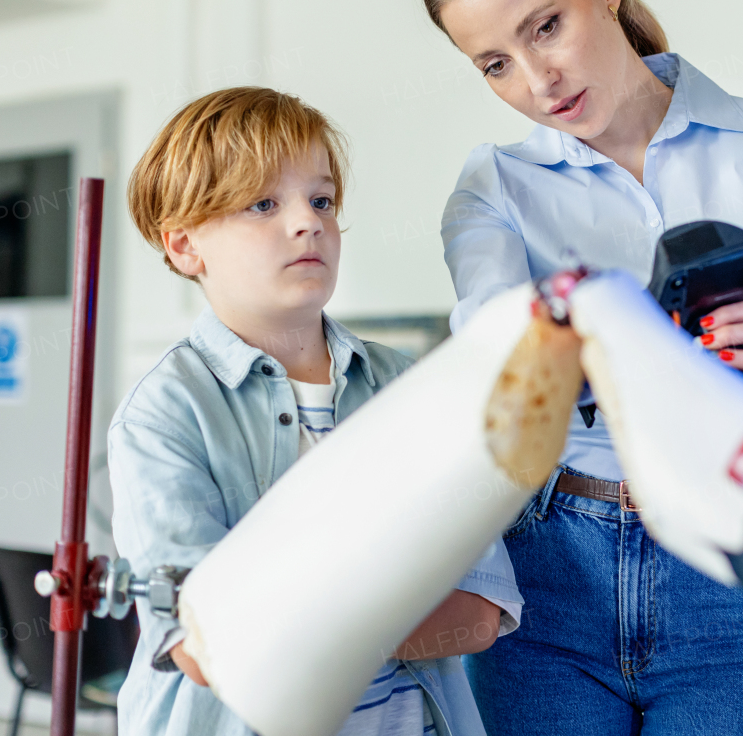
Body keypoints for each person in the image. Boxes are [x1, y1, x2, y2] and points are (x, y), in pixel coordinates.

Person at [424, 0, 743, 735]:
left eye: (546, 26)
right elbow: (499, 367)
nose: (537, 80)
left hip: (739, 560)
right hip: (551, 573)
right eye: (494, 63)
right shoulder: (492, 189)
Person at [110, 86, 522, 736]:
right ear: (185, 244)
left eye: (322, 200)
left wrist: (303, 622)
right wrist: (392, 609)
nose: (308, 222)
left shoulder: (410, 384)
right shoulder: (164, 414)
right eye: (263, 203)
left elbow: (478, 612)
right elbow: (203, 645)